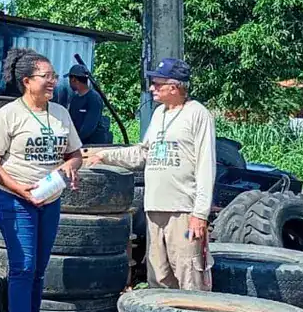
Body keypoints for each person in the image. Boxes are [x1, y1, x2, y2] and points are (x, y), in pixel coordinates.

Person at [0, 48, 83, 312]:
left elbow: (75, 153)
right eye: (46, 76)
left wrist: (69, 170)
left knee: (38, 268)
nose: (52, 81)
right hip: (16, 200)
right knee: (22, 266)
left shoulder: (61, 114)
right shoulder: (9, 115)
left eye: (53, 76)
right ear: (26, 81)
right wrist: (16, 188)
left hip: (50, 201)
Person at [87, 58, 215, 291]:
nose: (152, 88)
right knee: (159, 275)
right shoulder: (159, 115)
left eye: (157, 83)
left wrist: (200, 213)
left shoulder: (198, 114)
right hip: (154, 208)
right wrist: (105, 156)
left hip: (183, 211)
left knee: (188, 274)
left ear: (174, 87)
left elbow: (207, 166)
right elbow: (143, 153)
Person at [67, 63, 113, 145]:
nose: (69, 83)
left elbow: (89, 127)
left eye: (70, 80)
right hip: (79, 143)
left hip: (93, 145)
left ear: (74, 80)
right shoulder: (75, 99)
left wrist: (73, 141)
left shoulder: (94, 99)